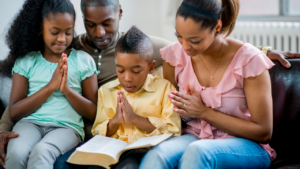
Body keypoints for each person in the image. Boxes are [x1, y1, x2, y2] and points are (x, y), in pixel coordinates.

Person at [0, 0, 299, 168]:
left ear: (119, 14)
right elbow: (18, 88)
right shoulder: (76, 51)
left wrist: (260, 51)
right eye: (91, 24)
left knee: (196, 154)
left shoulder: (154, 48)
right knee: (155, 158)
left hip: (235, 143)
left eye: (106, 22)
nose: (99, 32)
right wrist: (4, 128)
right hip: (170, 134)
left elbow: (263, 129)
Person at [140, 0, 276, 168]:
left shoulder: (250, 60)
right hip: (194, 137)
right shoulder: (174, 56)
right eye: (179, 36)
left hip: (246, 145)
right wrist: (186, 111)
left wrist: (204, 112)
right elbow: (172, 116)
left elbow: (263, 132)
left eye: (194, 40)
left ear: (217, 27)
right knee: (158, 154)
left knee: (199, 151)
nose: (185, 46)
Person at [0, 0, 98, 168]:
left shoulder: (83, 61)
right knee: (16, 152)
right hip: (30, 124)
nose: (62, 39)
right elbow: (15, 112)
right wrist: (50, 87)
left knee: (42, 152)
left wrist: (66, 90)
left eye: (68, 32)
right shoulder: (26, 61)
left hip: (67, 128)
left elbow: (93, 112)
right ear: (40, 28)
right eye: (54, 32)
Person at [84, 26, 180, 169]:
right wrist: (116, 121)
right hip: (111, 152)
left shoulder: (165, 89)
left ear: (151, 67)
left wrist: (135, 119)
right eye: (120, 70)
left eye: (135, 71)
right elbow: (97, 130)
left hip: (143, 152)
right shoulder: (106, 91)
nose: (127, 78)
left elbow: (174, 131)